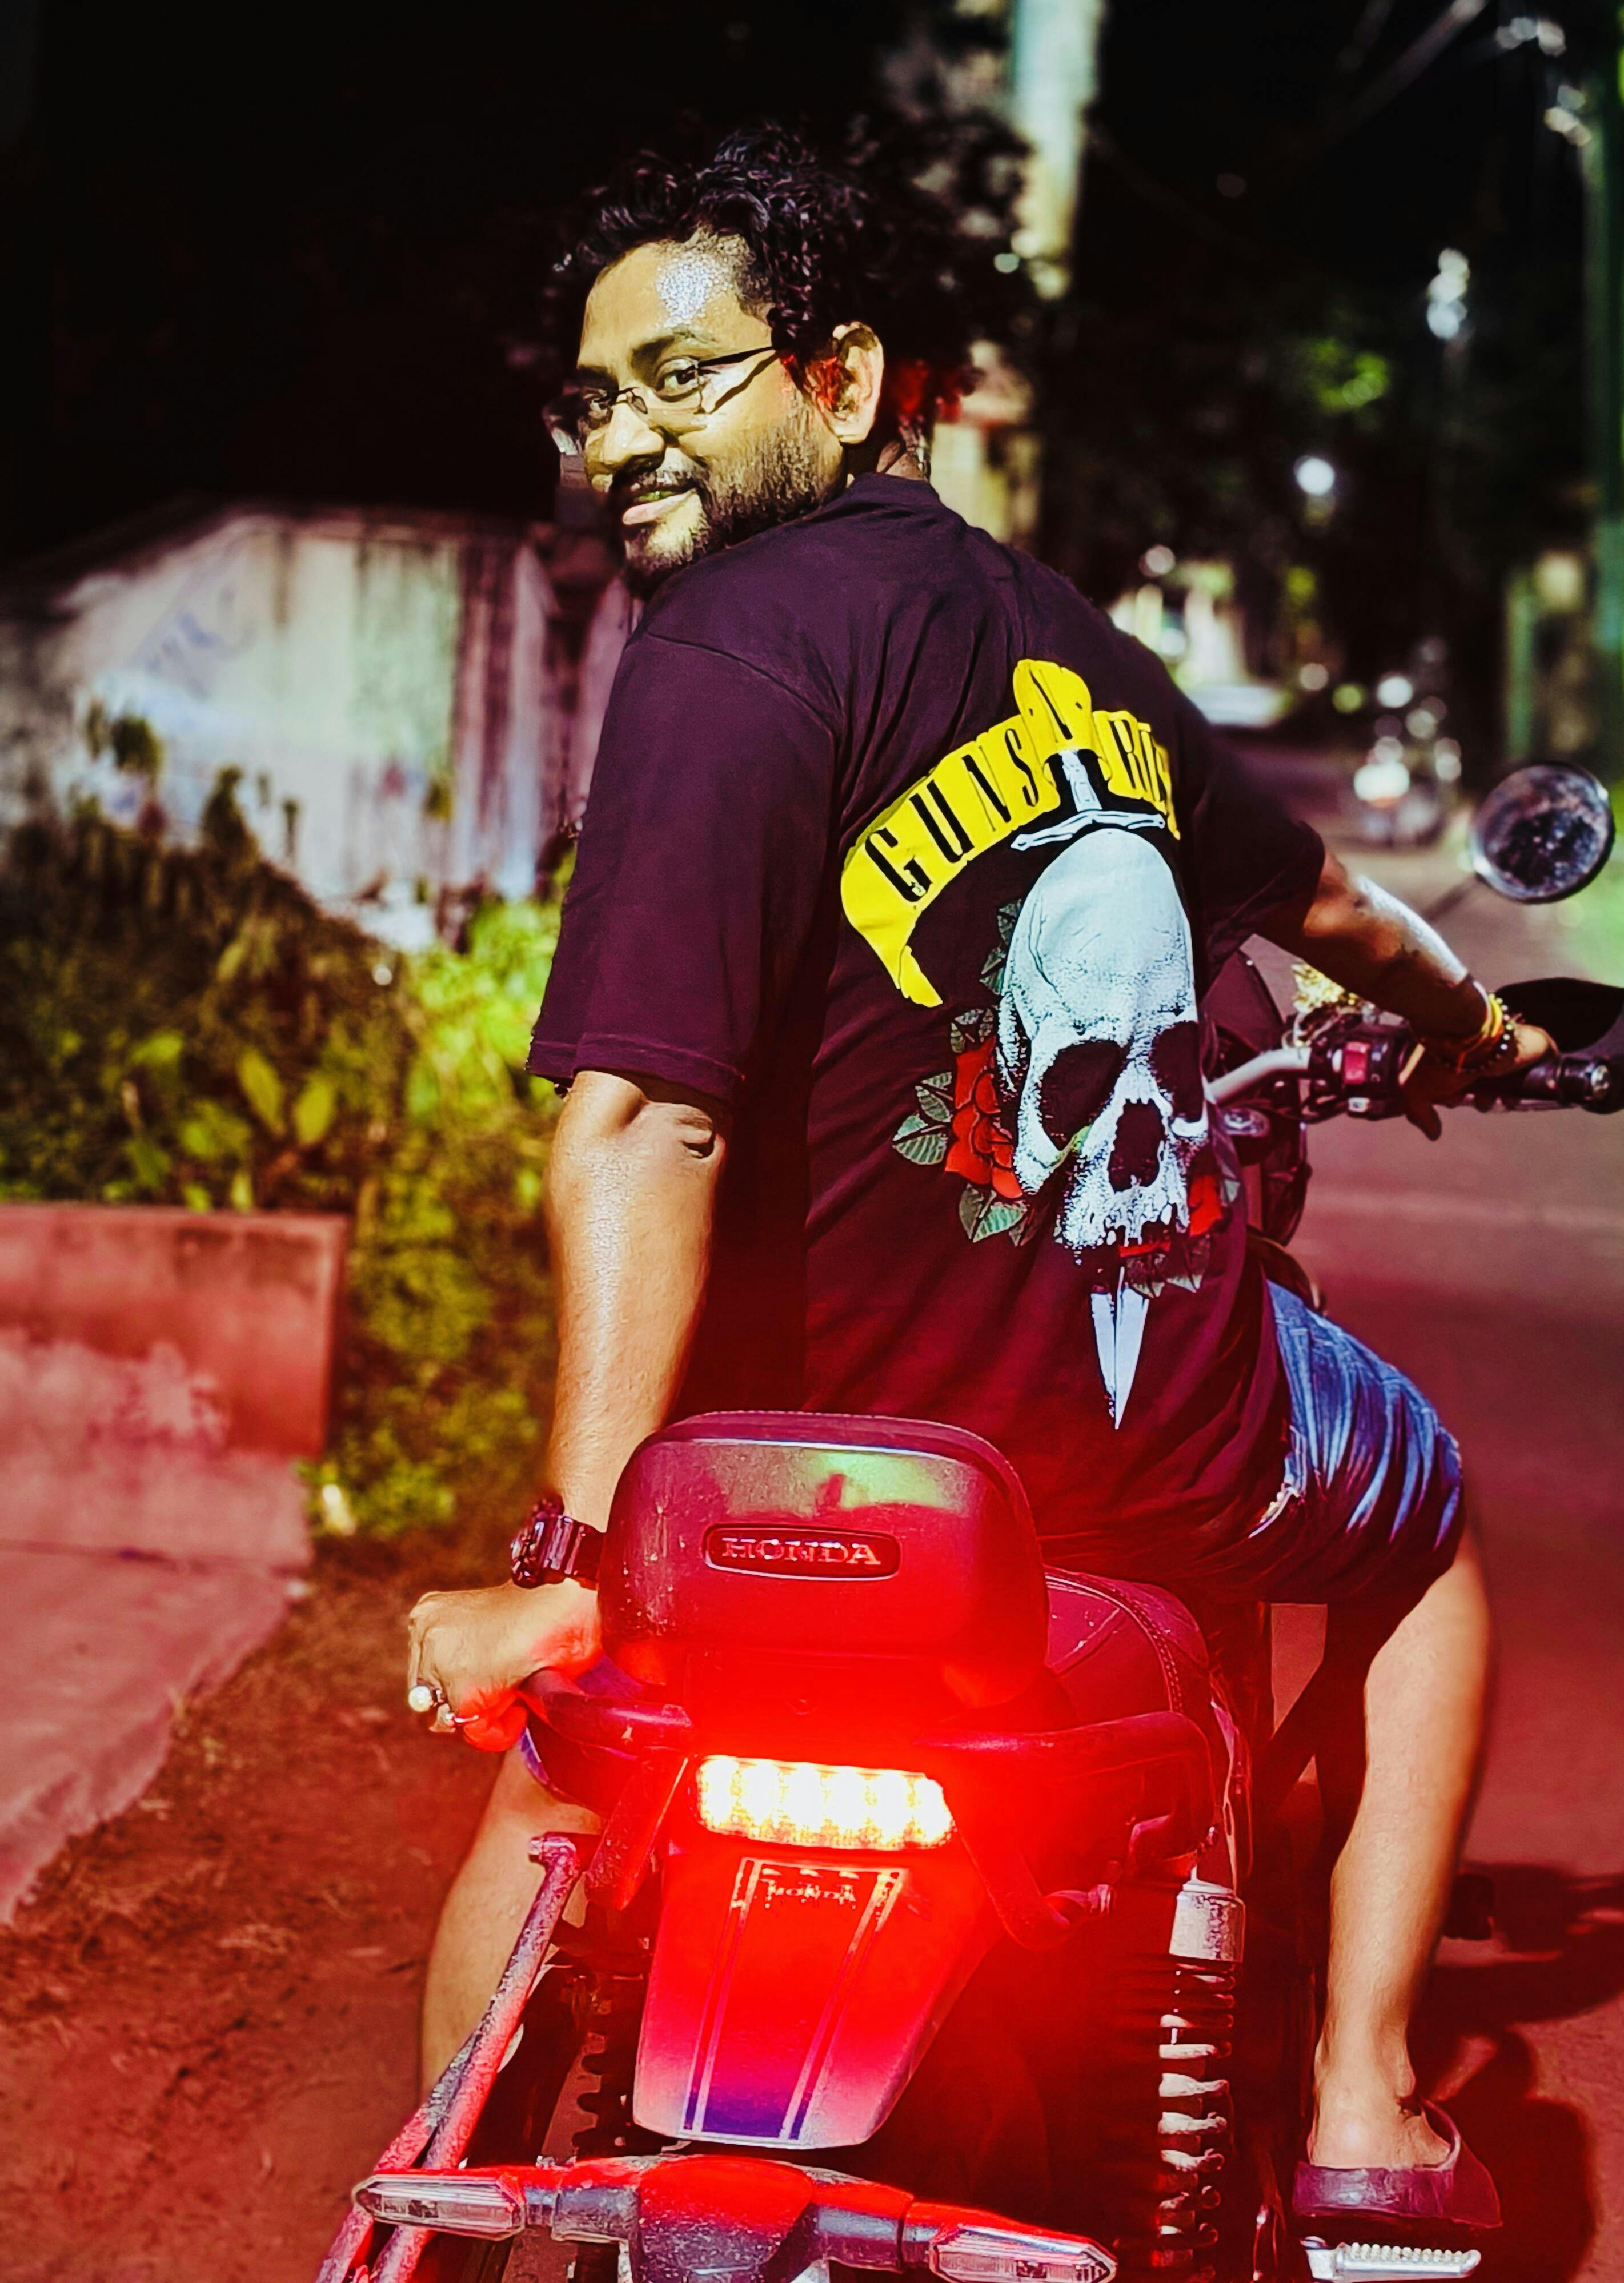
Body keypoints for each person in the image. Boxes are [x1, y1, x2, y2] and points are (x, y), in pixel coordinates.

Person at [407, 125, 1534, 2221]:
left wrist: (587, 1556)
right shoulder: (1069, 651)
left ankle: (453, 2226)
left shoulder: (731, 646)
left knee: (555, 1804)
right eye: (594, 399)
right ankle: (1366, 2114)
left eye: (680, 379)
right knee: (1429, 1525)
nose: (622, 440)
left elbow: (650, 1117)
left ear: (843, 378)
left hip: (793, 1491)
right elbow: (1330, 912)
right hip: (1145, 1456)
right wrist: (1476, 1024)